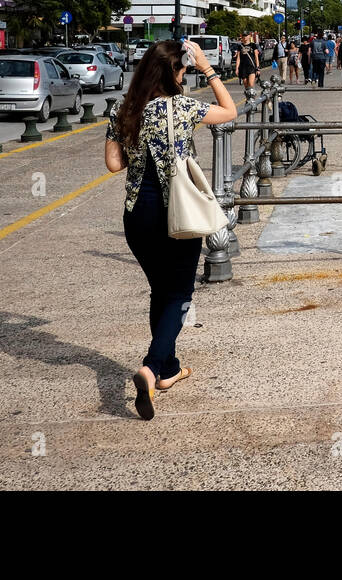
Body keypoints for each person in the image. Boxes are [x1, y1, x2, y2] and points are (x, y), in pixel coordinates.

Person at [104, 39, 237, 421]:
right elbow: (229, 111)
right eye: (182, 71)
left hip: (136, 216)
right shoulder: (181, 107)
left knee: (160, 291)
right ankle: (149, 367)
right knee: (179, 293)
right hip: (177, 214)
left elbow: (114, 164)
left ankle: (168, 369)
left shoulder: (122, 107)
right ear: (174, 74)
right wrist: (209, 68)